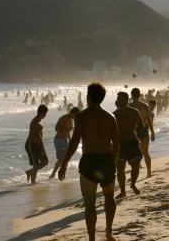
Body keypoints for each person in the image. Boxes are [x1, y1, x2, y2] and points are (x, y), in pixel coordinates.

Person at [58, 82, 119, 241]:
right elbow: (117, 143)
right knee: (109, 197)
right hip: (106, 160)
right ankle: (108, 232)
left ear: (89, 96)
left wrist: (64, 163)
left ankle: (92, 238)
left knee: (90, 204)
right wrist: (112, 161)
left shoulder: (82, 116)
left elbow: (74, 141)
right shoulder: (110, 117)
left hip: (89, 161)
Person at [113, 92, 144, 198]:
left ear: (126, 100)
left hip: (132, 142)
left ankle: (133, 184)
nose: (118, 100)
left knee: (135, 166)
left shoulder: (134, 112)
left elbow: (141, 125)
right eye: (117, 98)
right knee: (120, 168)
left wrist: (136, 132)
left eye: (120, 98)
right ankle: (123, 191)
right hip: (119, 144)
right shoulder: (114, 115)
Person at [129, 88, 155, 178]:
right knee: (146, 152)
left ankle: (135, 174)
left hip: (135, 132)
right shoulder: (145, 106)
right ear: (139, 95)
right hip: (144, 130)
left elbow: (128, 122)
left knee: (135, 154)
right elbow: (149, 120)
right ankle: (149, 172)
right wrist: (152, 132)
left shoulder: (129, 106)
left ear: (131, 95)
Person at [49, 107, 80, 179]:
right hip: (59, 139)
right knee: (61, 159)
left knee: (66, 158)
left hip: (65, 140)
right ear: (73, 113)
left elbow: (67, 132)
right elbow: (56, 128)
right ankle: (53, 174)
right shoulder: (64, 118)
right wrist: (69, 129)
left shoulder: (70, 120)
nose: (76, 117)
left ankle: (62, 174)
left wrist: (70, 140)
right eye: (76, 115)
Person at [25, 105, 49, 184]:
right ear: (42, 113)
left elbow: (39, 136)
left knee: (45, 162)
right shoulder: (35, 121)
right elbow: (38, 137)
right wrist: (42, 148)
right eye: (45, 113)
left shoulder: (37, 121)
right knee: (36, 165)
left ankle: (29, 172)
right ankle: (33, 183)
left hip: (36, 144)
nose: (45, 115)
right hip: (31, 144)